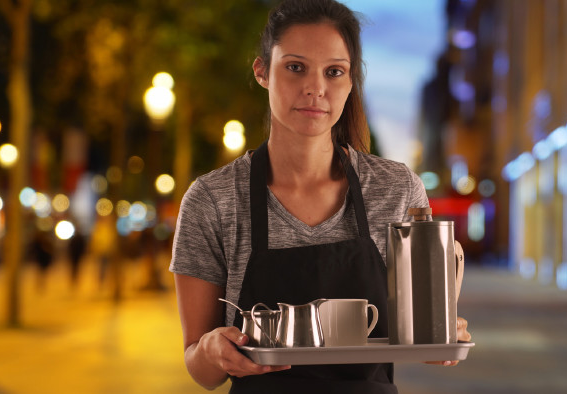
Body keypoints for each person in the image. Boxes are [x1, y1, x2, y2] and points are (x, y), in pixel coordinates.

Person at [170, 0, 472, 392]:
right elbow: (201, 372)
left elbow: (423, 337)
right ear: (262, 71)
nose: (315, 88)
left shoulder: (397, 190)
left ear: (351, 82)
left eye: (334, 72)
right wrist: (211, 351)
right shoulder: (212, 200)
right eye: (295, 68)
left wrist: (443, 334)